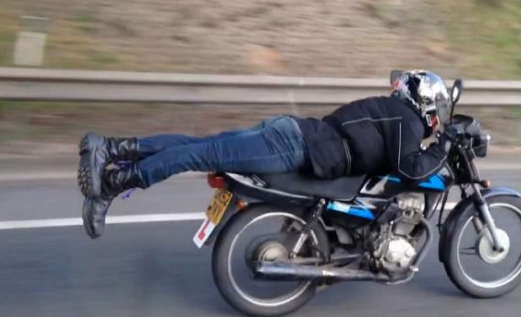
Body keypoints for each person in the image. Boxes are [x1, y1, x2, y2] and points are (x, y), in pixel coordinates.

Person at [78, 70, 452, 239]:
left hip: (293, 133)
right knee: (200, 154)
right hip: (293, 146)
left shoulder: (390, 110)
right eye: (437, 109)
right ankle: (113, 182)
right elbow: (411, 168)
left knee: (199, 147)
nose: (437, 118)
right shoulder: (407, 121)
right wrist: (444, 146)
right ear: (424, 103)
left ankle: (111, 148)